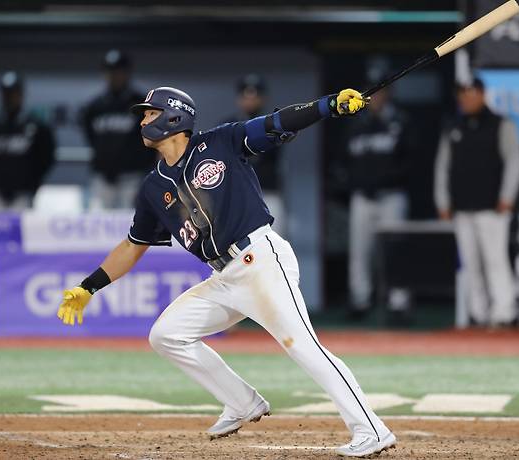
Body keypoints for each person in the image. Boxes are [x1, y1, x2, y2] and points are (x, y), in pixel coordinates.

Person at [57, 86, 396, 457]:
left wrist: (328, 105)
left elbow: (278, 121)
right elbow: (132, 245)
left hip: (261, 261)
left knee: (303, 347)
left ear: (174, 117)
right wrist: (89, 287)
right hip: (224, 277)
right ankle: (242, 403)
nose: (142, 120)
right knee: (166, 335)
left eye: (149, 113)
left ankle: (371, 429)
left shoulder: (221, 141)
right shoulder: (154, 187)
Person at [434, 77, 519, 327]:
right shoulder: (453, 126)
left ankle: (503, 313)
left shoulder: (500, 124)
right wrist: (443, 200)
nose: (465, 98)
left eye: (470, 93)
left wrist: (507, 197)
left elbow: (514, 162)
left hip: (493, 207)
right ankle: (479, 314)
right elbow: (443, 166)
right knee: (470, 264)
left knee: (495, 260)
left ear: (482, 94)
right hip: (462, 206)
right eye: (462, 93)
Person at [343, 71, 413, 316]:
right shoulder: (356, 123)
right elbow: (345, 161)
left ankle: (399, 302)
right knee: (360, 252)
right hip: (363, 197)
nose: (377, 96)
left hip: (392, 195)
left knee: (396, 250)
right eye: (372, 91)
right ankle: (359, 301)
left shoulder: (400, 121)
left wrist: (388, 179)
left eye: (381, 90)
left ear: (389, 93)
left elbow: (411, 160)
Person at [83, 50, 157, 209]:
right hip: (103, 178)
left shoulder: (142, 104)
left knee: (131, 223)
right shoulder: (95, 107)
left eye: (118, 71)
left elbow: (153, 140)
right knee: (99, 222)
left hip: (133, 177)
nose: (114, 75)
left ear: (127, 72)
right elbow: (91, 137)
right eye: (110, 71)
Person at [0, 71, 55, 210]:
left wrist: (32, 182)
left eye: (13, 93)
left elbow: (47, 158)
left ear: (21, 94)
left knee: (21, 230)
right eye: (6, 93)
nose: (9, 98)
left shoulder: (36, 126)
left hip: (23, 194)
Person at [222, 75, 286, 235]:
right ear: (239, 98)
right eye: (246, 95)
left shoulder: (273, 123)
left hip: (267, 192)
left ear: (263, 98)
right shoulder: (228, 126)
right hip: (237, 194)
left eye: (255, 95)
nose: (250, 99)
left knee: (273, 241)